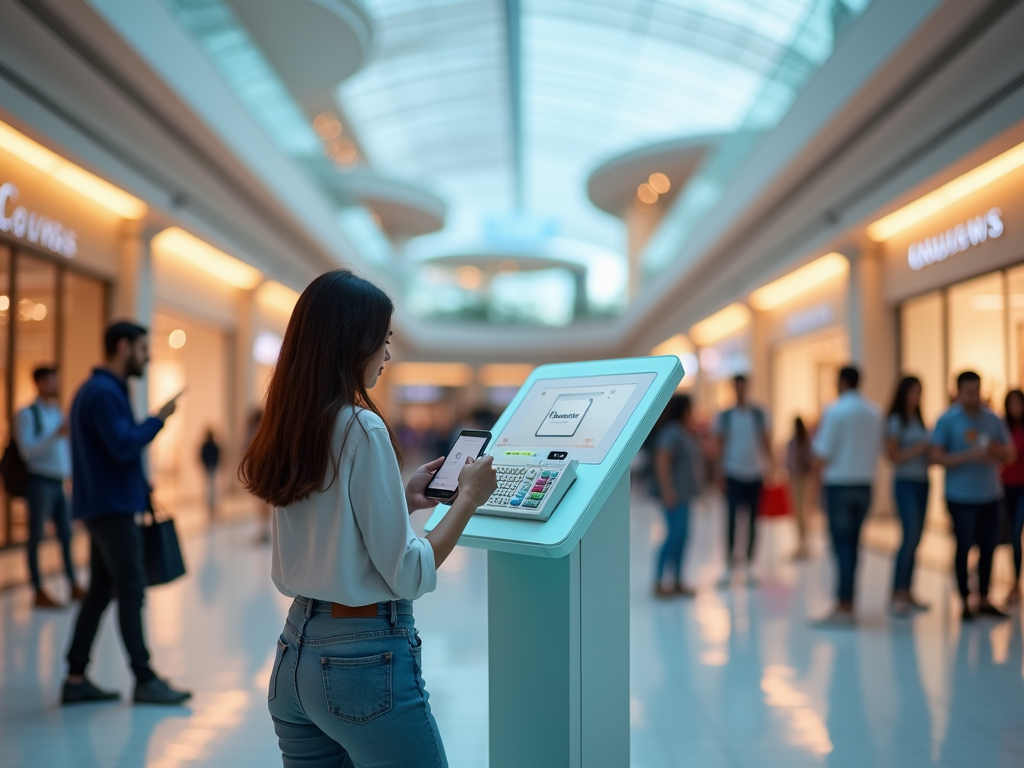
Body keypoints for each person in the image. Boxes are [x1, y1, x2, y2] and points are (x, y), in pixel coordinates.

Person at [239, 270, 497, 767]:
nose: (388, 353)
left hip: (295, 654)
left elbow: (329, 525)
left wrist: (401, 500)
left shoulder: (291, 423)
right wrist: (467, 500)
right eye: (384, 339)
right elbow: (408, 573)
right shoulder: (363, 426)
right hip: (360, 663)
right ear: (354, 341)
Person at [62, 321, 190, 706]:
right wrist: (159, 418)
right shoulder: (103, 393)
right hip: (112, 508)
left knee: (101, 590)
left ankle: (75, 676)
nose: (147, 356)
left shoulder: (99, 390)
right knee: (131, 588)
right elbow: (122, 446)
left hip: (107, 504)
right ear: (122, 347)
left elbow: (113, 451)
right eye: (142, 348)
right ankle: (144, 678)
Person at [929, 371, 1015, 622]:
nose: (973, 397)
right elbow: (934, 457)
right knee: (964, 546)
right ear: (958, 392)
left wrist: (997, 453)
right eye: (968, 392)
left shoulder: (993, 419)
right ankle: (965, 600)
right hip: (960, 495)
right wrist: (968, 456)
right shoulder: (947, 420)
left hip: (990, 494)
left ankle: (985, 598)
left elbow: (1010, 453)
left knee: (989, 547)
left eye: (976, 391)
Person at [811, 365, 882, 626]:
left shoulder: (835, 411)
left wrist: (815, 491)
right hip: (864, 485)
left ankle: (844, 605)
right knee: (853, 546)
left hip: (840, 486)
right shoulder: (874, 412)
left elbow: (822, 453)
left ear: (841, 382)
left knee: (841, 548)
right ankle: (849, 601)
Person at [18, 365, 83, 608]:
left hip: (58, 482)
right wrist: (55, 434)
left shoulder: (56, 411)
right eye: (52, 381)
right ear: (40, 382)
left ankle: (73, 584)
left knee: (66, 536)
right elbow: (28, 451)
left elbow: (63, 449)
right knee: (36, 537)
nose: (56, 385)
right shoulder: (27, 414)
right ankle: (38, 589)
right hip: (39, 482)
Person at [713, 374, 772, 579]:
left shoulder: (759, 413)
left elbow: (765, 440)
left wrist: (771, 465)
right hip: (732, 472)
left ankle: (749, 562)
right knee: (731, 519)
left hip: (755, 473)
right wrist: (718, 472)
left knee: (753, 519)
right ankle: (730, 561)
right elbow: (719, 445)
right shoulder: (725, 415)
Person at [886, 376, 932, 616]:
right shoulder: (896, 421)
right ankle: (897, 592)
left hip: (923, 482)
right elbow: (892, 456)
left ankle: (908, 590)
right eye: (913, 391)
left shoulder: (919, 420)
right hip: (904, 483)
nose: (916, 396)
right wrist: (921, 447)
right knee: (909, 535)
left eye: (919, 392)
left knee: (917, 538)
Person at [652, 395, 702, 597]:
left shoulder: (684, 432)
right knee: (673, 536)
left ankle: (678, 579)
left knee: (683, 536)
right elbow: (662, 460)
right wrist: (667, 490)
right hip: (675, 495)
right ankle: (658, 581)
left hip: (685, 494)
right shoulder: (672, 432)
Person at [1002, 389, 1024, 605]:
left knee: (1016, 531)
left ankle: (1016, 584)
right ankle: (1015, 584)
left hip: (1022, 488)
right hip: (1005, 487)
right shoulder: (1002, 427)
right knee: (1011, 537)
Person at [786, 417, 814, 560]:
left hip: (803, 478)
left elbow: (809, 460)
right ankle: (801, 542)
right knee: (798, 512)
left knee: (802, 512)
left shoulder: (804, 442)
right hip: (796, 478)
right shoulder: (794, 442)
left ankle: (804, 543)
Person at [199, 429, 221, 516]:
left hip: (211, 466)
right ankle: (209, 504)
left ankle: (212, 504)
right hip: (210, 466)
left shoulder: (211, 445)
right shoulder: (209, 445)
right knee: (210, 486)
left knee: (212, 487)